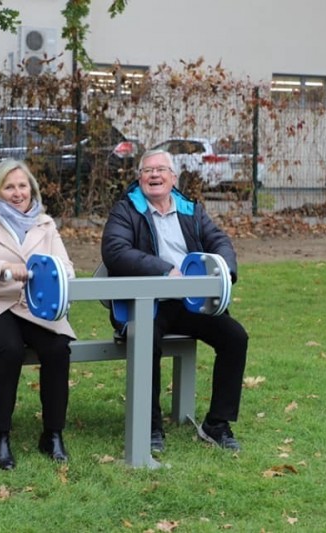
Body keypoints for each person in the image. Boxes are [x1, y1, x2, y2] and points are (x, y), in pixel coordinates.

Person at [101, 149, 248, 453]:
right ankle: (150, 426)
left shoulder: (191, 209)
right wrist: (165, 270)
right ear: (139, 178)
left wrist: (225, 271)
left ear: (173, 177)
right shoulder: (125, 210)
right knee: (146, 339)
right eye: (147, 171)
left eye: (160, 170)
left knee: (235, 337)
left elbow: (220, 241)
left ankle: (216, 425)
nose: (154, 175)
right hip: (145, 303)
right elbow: (115, 251)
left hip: (189, 303)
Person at [0, 159, 75, 470]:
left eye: (22, 186)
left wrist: (52, 276)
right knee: (9, 348)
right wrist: (5, 270)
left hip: (32, 306)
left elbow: (67, 269)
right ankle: (0, 436)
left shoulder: (45, 224)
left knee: (58, 347)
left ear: (31, 189)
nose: (17, 193)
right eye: (9, 187)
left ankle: (53, 434)